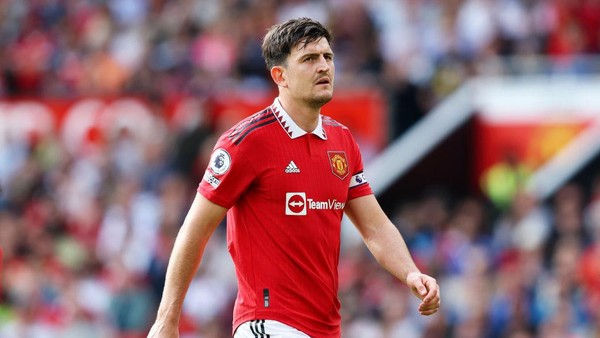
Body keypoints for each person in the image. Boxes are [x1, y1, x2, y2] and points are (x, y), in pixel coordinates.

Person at [147, 17, 440, 338]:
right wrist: (167, 319)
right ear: (279, 75)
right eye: (309, 59)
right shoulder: (246, 142)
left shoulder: (342, 141)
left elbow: (375, 226)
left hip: (326, 327)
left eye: (328, 57)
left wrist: (411, 273)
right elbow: (196, 229)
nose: (324, 67)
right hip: (267, 323)